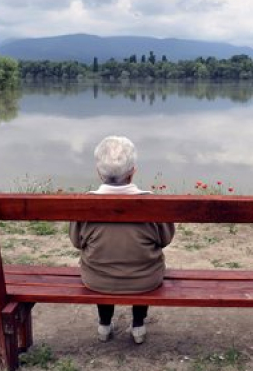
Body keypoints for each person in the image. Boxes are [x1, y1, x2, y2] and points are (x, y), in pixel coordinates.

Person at [69, 136, 175, 344]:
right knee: (142, 262)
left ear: (99, 173)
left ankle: (104, 325)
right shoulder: (153, 203)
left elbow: (76, 241)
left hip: (97, 279)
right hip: (146, 279)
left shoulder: (84, 204)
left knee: (102, 263)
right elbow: (165, 239)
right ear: (133, 171)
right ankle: (138, 326)